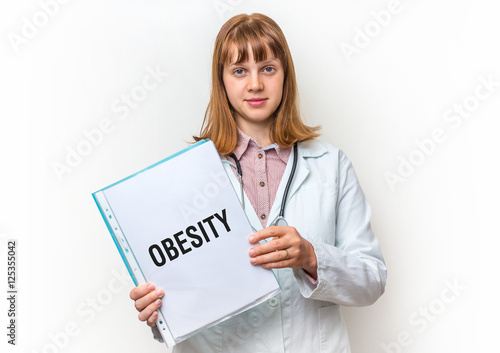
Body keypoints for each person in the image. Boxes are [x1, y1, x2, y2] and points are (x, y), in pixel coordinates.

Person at [129, 13, 386, 353]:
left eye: (268, 68)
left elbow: (372, 280)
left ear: (285, 76)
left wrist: (311, 256)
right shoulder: (185, 175)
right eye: (239, 71)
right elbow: (178, 295)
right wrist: (158, 313)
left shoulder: (331, 165)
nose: (254, 84)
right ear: (221, 82)